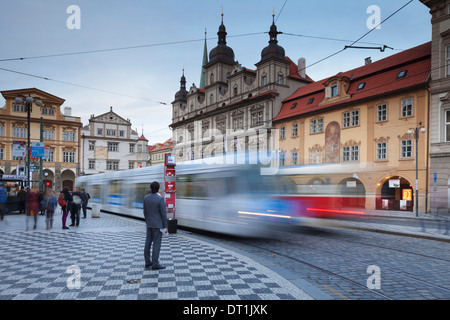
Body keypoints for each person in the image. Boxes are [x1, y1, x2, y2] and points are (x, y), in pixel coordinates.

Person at [143, 181, 168, 270]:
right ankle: (155, 263)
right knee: (157, 243)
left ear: (151, 188)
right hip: (158, 225)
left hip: (149, 224)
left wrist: (147, 221)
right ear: (158, 189)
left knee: (148, 242)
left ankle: (147, 261)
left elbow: (145, 212)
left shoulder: (146, 198)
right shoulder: (160, 199)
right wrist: (165, 226)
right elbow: (163, 214)